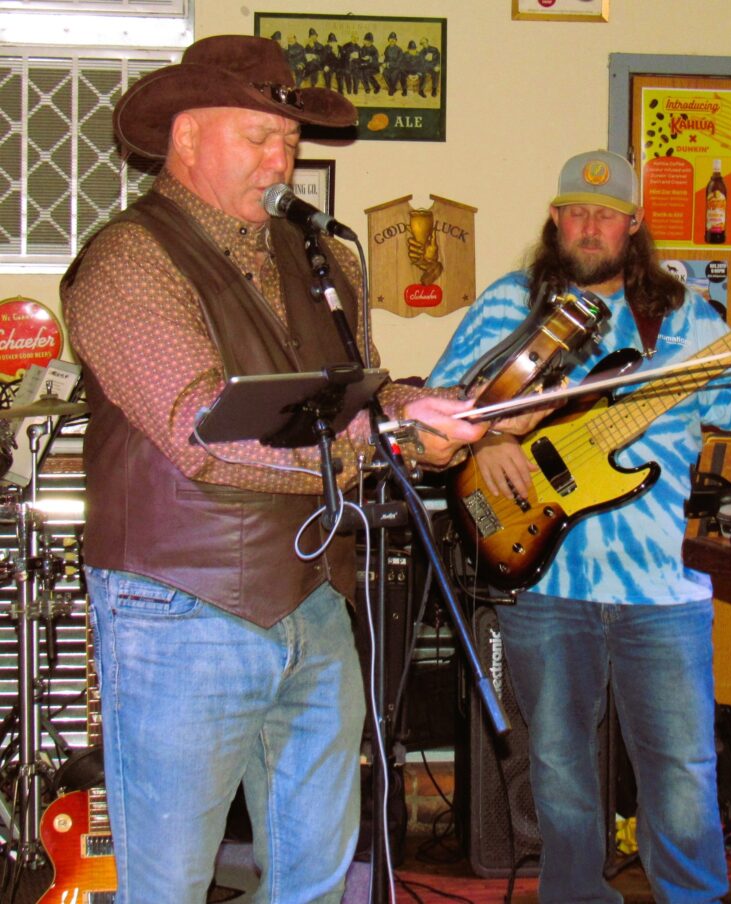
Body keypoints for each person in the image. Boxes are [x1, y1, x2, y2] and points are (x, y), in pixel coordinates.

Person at [59, 34, 514, 902]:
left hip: (315, 596)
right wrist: (387, 440)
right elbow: (203, 429)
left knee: (315, 878)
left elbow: (355, 392)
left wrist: (431, 405)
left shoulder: (323, 257)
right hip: (179, 606)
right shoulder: (127, 259)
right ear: (187, 135)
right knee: (167, 885)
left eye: (291, 140)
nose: (282, 160)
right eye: (259, 136)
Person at [428, 149, 731, 903]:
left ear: (635, 224)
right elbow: (438, 409)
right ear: (555, 219)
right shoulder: (511, 304)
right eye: (576, 212)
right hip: (545, 574)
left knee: (683, 768)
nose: (590, 226)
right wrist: (485, 442)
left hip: (662, 586)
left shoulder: (685, 319)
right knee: (558, 767)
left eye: (607, 214)